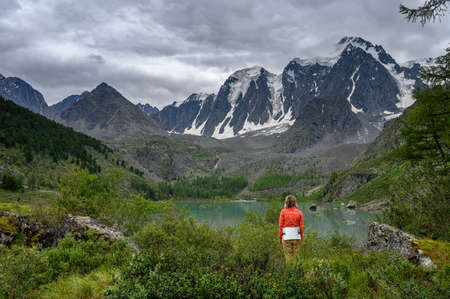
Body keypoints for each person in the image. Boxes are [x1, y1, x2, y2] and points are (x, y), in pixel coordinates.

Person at [278, 195, 304, 264]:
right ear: (294, 202)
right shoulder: (299, 212)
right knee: (296, 256)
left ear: (286, 203)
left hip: (286, 237)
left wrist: (280, 237)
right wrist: (301, 237)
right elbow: (301, 226)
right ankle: (296, 271)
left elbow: (280, 226)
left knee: (288, 256)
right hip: (296, 237)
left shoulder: (283, 212)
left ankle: (290, 272)